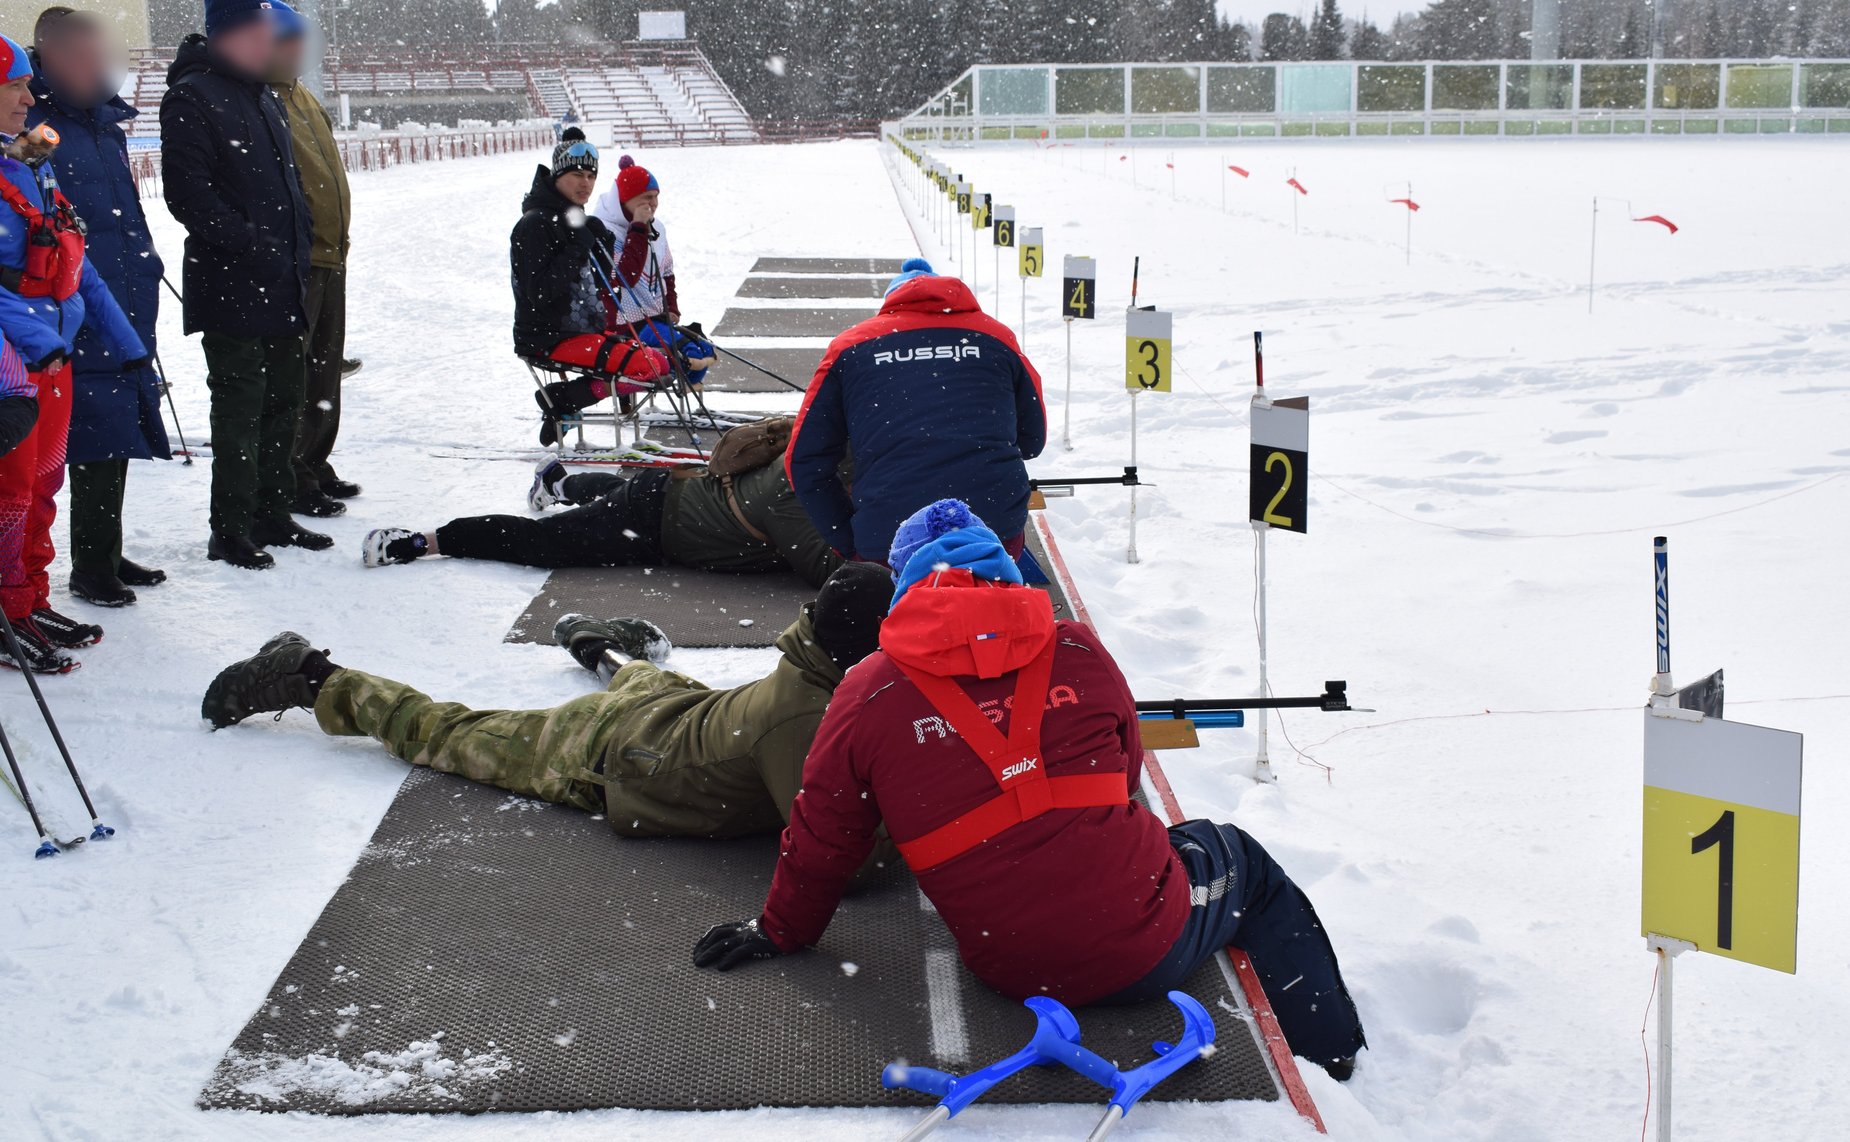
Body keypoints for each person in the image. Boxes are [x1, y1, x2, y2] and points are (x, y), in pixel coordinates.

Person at [693, 501, 1366, 1080]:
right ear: (1004, 567)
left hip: (1009, 963)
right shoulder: (1075, 647)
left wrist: (781, 930)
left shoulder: (868, 688)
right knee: (1237, 858)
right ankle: (1333, 1054)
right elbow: (1126, 777)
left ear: (903, 581)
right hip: (1142, 945)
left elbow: (824, 834)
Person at [199, 563, 894, 844]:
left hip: (675, 710)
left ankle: (601, 648)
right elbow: (846, 858)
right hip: (603, 755)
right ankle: (313, 674)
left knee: (643, 681)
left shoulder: (807, 660)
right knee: (447, 731)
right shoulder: (802, 715)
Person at [161, 0, 327, 570]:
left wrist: (293, 248)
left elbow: (286, 186)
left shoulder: (260, 95)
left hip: (281, 279)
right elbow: (187, 194)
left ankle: (271, 512)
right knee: (240, 407)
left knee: (285, 399)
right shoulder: (192, 96)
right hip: (232, 283)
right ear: (227, 35)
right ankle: (230, 528)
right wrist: (249, 243)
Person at [0, 32, 147, 672]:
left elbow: (75, 259)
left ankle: (29, 599)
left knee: (41, 487)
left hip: (53, 360)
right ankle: (5, 613)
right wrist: (27, 358)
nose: (29, 98)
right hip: (15, 372)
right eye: (15, 87)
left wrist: (127, 344)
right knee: (7, 497)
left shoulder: (32, 163)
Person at [28, 7, 171, 609]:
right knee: (89, 433)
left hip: (125, 294)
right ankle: (87, 564)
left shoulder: (104, 124)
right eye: (82, 58)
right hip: (73, 302)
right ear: (52, 57)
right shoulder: (35, 127)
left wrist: (145, 265)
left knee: (120, 427)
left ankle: (104, 550)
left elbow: (124, 211)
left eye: (99, 57)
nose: (96, 69)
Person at [361, 419, 840, 588]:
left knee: (612, 497)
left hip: (674, 492)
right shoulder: (793, 494)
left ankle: (559, 483)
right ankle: (421, 541)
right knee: (543, 542)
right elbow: (832, 572)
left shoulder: (816, 449)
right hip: (655, 522)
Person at [786, 259, 1045, 565]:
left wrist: (849, 539)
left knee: (894, 611)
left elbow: (803, 462)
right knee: (984, 605)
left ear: (892, 302)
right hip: (991, 529)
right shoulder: (997, 337)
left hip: (887, 535)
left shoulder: (851, 346)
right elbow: (1032, 441)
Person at [510, 128, 672, 447]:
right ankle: (562, 400)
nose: (586, 183)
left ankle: (565, 400)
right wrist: (577, 250)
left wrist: (603, 248)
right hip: (546, 337)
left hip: (583, 331)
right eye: (576, 174)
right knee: (648, 366)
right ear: (557, 175)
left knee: (662, 362)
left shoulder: (573, 218)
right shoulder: (534, 224)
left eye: (591, 176)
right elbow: (539, 293)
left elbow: (604, 287)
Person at [270, 4, 359, 520]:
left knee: (325, 373)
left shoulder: (302, 95)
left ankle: (315, 463)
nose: (297, 50)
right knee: (298, 374)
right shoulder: (266, 99)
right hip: (301, 258)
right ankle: (294, 474)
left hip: (332, 253)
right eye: (288, 40)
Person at [589, 154, 713, 386]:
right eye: (646, 198)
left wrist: (672, 307)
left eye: (656, 197)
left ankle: (665, 382)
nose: (653, 204)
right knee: (687, 353)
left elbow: (667, 273)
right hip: (623, 323)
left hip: (654, 317)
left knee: (704, 349)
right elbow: (625, 278)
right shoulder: (604, 230)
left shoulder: (657, 228)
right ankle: (621, 385)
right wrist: (637, 228)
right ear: (626, 200)